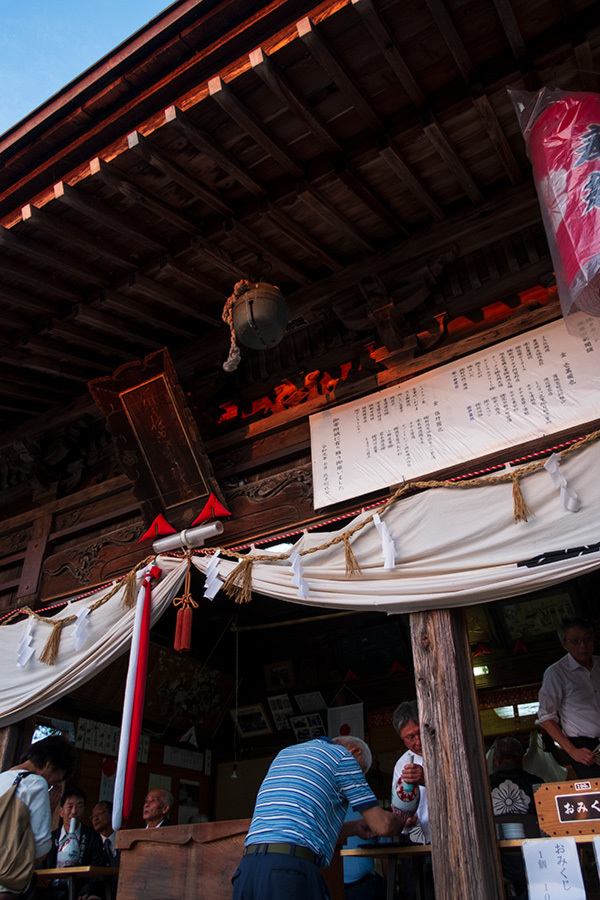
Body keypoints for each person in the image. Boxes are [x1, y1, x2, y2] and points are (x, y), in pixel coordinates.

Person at [231, 734, 408, 900]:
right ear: (355, 751)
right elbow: (383, 826)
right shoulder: (342, 757)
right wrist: (402, 818)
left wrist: (354, 828)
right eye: (359, 772)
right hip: (288, 872)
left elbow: (299, 832)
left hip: (248, 870)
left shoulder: (285, 754)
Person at [0, 735, 75, 900]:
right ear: (50, 765)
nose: (53, 785)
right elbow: (39, 852)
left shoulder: (3, 777)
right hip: (7, 885)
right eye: (58, 779)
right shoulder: (36, 784)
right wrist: (49, 808)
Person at [537, 616, 600, 778]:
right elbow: (545, 717)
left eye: (587, 639)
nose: (583, 645)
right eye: (575, 641)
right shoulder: (557, 673)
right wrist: (572, 751)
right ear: (564, 644)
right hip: (585, 746)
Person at [490, 737, 544, 900]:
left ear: (496, 760)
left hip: (496, 857)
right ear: (522, 759)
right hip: (532, 858)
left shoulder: (485, 783)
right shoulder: (536, 783)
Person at [392, 701, 434, 900]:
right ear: (402, 738)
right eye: (410, 737)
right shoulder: (403, 764)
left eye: (420, 733)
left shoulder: (446, 751)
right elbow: (399, 807)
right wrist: (405, 821)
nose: (417, 741)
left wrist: (426, 778)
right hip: (419, 841)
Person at [43, 788, 105, 900]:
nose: (74, 812)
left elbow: (98, 868)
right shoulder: (51, 838)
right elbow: (41, 864)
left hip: (80, 891)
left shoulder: (92, 836)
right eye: (70, 807)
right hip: (50, 890)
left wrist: (87, 889)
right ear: (61, 811)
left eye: (79, 806)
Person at [91, 801, 119, 865]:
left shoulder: (124, 839)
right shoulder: (92, 844)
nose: (95, 819)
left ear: (112, 814)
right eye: (92, 816)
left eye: (99, 813)